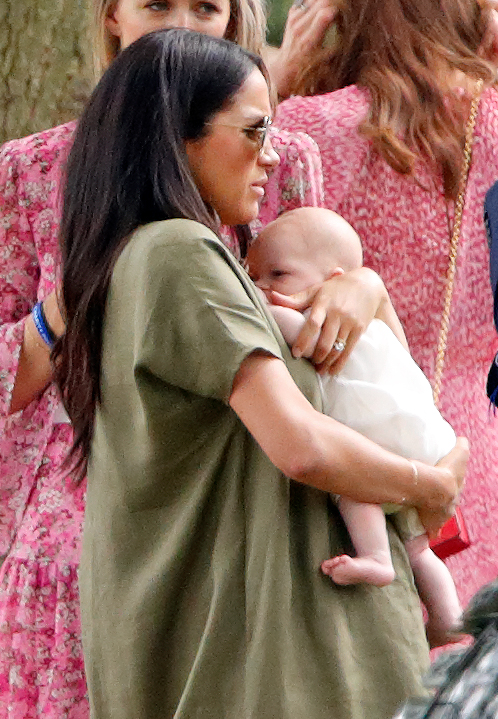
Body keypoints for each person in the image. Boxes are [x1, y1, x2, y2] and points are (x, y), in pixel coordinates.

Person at [54, 28, 467, 719]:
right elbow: (302, 442)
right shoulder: (180, 254)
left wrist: (371, 290)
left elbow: (383, 386)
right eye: (254, 131)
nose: (272, 156)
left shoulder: (145, 257)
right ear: (176, 137)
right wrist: (432, 483)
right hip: (284, 667)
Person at [0, 0, 330, 716]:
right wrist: (74, 298)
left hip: (244, 471)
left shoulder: (279, 155)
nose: (181, 21)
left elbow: (322, 292)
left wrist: (360, 291)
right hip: (83, 495)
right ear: (113, 14)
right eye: (157, 3)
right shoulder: (28, 170)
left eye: (206, 7)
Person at [272, 0, 498, 613]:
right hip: (468, 449)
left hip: (344, 451)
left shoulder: (307, 130)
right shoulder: (492, 122)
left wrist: (277, 84)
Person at [247, 206, 464, 647]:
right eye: (254, 277)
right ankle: (447, 616)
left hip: (377, 434)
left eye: (277, 274)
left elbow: (273, 323)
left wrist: (243, 299)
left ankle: (376, 557)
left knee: (353, 484)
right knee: (420, 548)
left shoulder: (317, 318)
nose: (263, 288)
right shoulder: (376, 323)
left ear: (334, 279)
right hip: (425, 435)